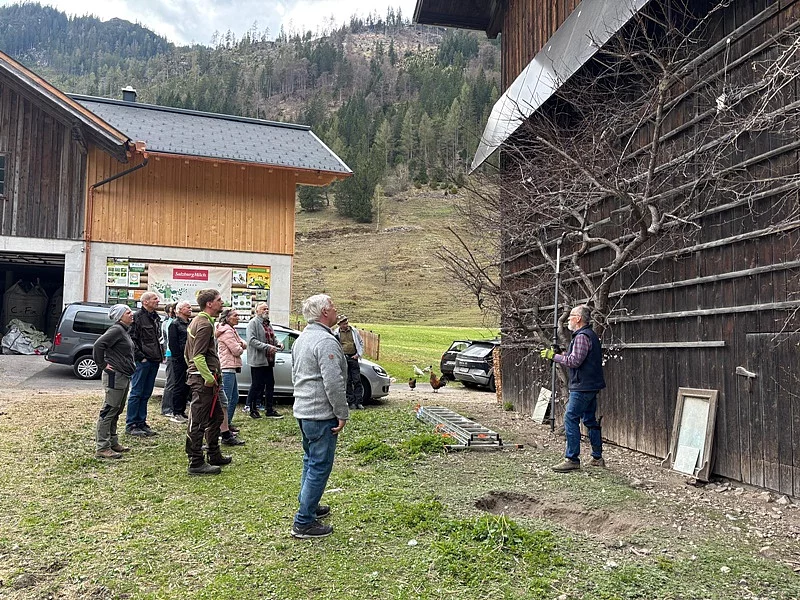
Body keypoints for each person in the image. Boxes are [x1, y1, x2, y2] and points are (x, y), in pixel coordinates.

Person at [290, 294, 349, 539]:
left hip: (304, 411)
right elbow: (333, 382)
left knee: (310, 460)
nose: (336, 310)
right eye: (333, 307)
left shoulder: (302, 338)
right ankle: (303, 522)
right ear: (324, 312)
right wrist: (341, 412)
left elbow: (295, 374)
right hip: (320, 414)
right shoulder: (325, 341)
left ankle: (309, 506)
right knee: (319, 465)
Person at [540, 304, 606, 472]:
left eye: (571, 317)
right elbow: (575, 357)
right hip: (590, 385)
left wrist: (554, 357)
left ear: (578, 319)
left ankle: (572, 459)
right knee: (589, 420)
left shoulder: (582, 337)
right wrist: (560, 354)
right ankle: (597, 457)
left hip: (582, 386)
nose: (568, 319)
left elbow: (574, 361)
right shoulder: (589, 335)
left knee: (570, 417)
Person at [184, 288, 230, 475]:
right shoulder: (203, 324)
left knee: (216, 416)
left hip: (206, 377)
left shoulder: (202, 321)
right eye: (219, 300)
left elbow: (188, 353)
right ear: (209, 304)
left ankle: (213, 453)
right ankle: (195, 462)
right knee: (198, 421)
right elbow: (197, 356)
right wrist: (208, 377)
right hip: (203, 380)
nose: (222, 303)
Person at [93, 304, 135, 459]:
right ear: (120, 316)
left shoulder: (124, 330)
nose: (132, 314)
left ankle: (112, 442)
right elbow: (98, 345)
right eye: (128, 312)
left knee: (117, 409)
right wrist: (102, 364)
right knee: (109, 409)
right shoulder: (116, 330)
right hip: (114, 375)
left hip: (123, 375)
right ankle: (102, 447)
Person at [125, 292, 164, 437]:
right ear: (145, 302)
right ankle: (132, 424)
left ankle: (141, 422)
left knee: (146, 393)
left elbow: (157, 339)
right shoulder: (137, 317)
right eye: (155, 299)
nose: (158, 301)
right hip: (143, 361)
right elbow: (131, 339)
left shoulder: (155, 318)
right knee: (136, 392)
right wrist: (141, 357)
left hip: (154, 360)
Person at [245, 302, 284, 419]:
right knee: (256, 385)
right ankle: (252, 409)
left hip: (269, 360)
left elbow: (272, 337)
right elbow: (251, 340)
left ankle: (269, 410)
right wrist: (267, 347)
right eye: (263, 309)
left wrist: (278, 343)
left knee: (270, 384)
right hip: (258, 360)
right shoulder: (253, 323)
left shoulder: (268, 324)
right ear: (257, 311)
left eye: (267, 309)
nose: (266, 311)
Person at [216, 307, 247, 446]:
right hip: (226, 368)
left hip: (232, 368)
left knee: (234, 397)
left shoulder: (232, 330)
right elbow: (236, 350)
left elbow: (244, 343)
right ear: (227, 318)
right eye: (235, 315)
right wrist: (240, 346)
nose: (238, 317)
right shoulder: (227, 331)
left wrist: (241, 344)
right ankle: (222, 429)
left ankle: (227, 424)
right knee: (227, 399)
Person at [166, 301, 192, 424]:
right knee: (179, 385)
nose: (190, 309)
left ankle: (182, 410)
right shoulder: (174, 324)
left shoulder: (190, 323)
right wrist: (178, 358)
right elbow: (173, 343)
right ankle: (176, 411)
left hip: (189, 358)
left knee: (187, 385)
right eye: (188, 307)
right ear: (180, 310)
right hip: (179, 359)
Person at [334, 315, 365, 410]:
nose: (346, 325)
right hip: (344, 358)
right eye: (344, 324)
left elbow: (360, 342)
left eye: (347, 323)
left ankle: (359, 402)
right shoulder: (336, 333)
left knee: (357, 380)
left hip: (353, 357)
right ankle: (350, 402)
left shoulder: (354, 331)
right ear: (339, 324)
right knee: (347, 381)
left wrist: (358, 354)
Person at [160, 302, 177, 417]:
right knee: (170, 382)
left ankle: (174, 407)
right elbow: (168, 341)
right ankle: (166, 408)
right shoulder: (168, 323)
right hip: (171, 354)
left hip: (177, 355)